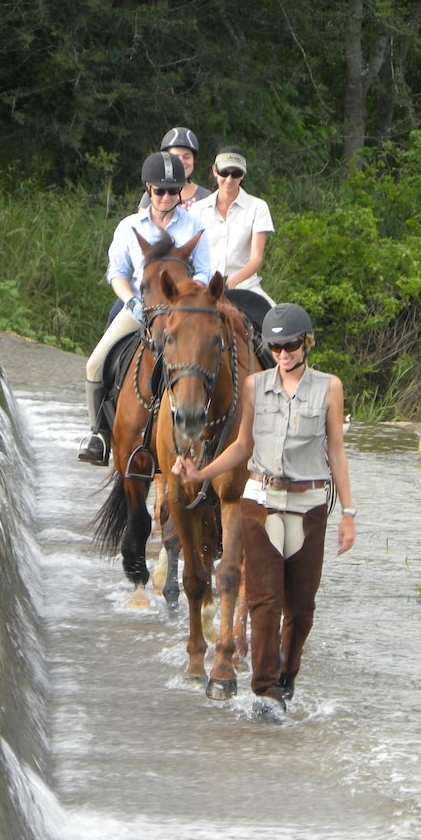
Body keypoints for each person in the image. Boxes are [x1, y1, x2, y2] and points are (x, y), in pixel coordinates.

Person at [172, 302, 355, 719]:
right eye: (274, 347)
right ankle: (265, 691)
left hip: (308, 505)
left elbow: (337, 453)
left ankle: (287, 677)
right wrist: (201, 474)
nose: (283, 354)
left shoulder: (330, 387)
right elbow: (241, 447)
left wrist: (349, 513)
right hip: (262, 501)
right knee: (263, 601)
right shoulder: (255, 386)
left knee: (301, 608)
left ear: (306, 343)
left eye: (290, 345)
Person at [78, 151, 211, 465]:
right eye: (159, 190)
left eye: (173, 191)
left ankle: (212, 430)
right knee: (95, 364)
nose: (166, 197)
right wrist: (130, 300)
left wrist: (187, 300)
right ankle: (98, 433)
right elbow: (117, 272)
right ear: (148, 189)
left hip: (182, 310)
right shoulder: (128, 227)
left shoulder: (194, 227)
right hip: (141, 307)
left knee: (208, 358)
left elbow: (204, 272)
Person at [189, 145, 275, 309]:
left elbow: (256, 258)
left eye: (235, 174)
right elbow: (191, 255)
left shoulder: (257, 207)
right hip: (204, 284)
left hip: (245, 285)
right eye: (224, 173)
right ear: (215, 171)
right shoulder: (197, 210)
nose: (229, 179)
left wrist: (233, 281)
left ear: (242, 175)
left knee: (277, 321)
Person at [138, 127, 212, 212]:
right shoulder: (153, 195)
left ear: (194, 160)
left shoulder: (206, 197)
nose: (181, 162)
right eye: (175, 157)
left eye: (186, 157)